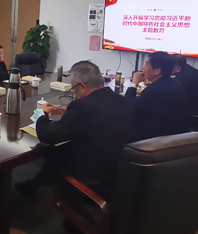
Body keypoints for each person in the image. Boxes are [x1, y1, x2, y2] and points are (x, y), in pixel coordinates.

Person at [15, 61, 135, 200]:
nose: (74, 94)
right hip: (119, 177)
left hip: (94, 183)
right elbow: (99, 116)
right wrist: (69, 112)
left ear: (83, 86)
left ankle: (38, 187)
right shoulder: (122, 101)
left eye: (73, 89)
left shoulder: (82, 107)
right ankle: (34, 185)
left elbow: (46, 135)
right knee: (60, 149)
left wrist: (43, 114)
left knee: (57, 149)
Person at [125, 51, 190, 140]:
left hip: (155, 139)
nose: (143, 68)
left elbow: (128, 106)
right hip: (176, 135)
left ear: (157, 71)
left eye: (146, 64)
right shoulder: (176, 83)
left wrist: (134, 82)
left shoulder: (153, 90)